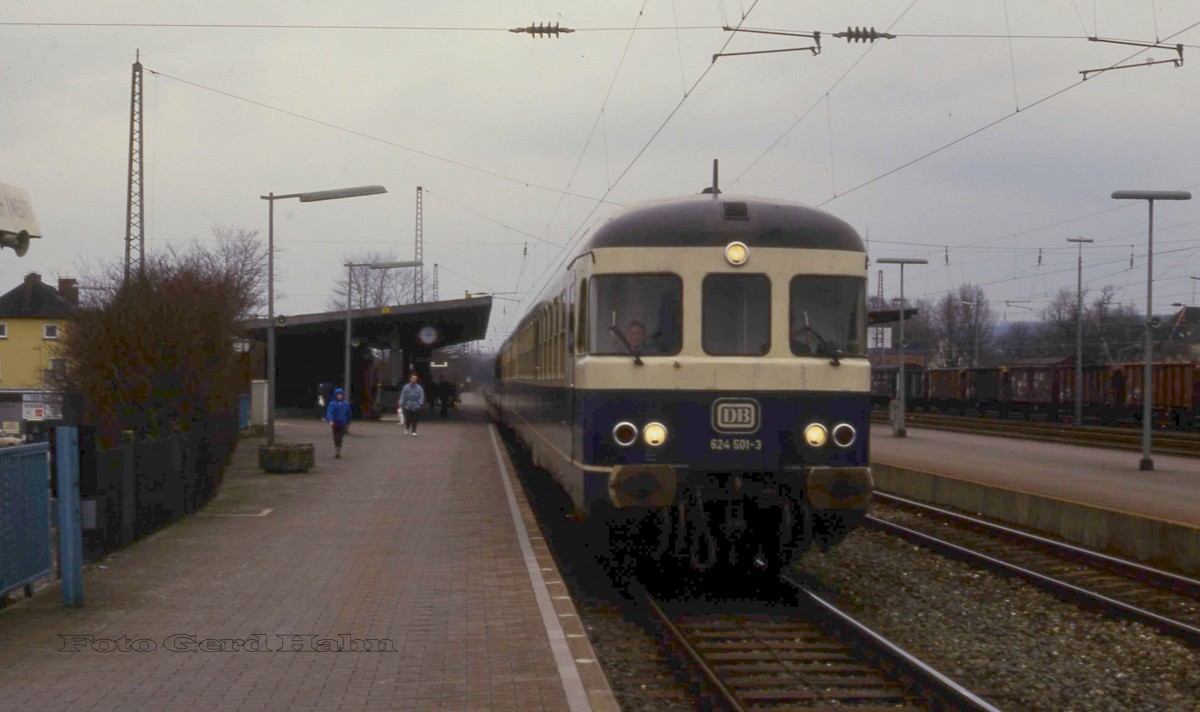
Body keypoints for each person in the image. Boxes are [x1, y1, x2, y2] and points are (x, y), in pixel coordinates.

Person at [324, 387, 352, 459]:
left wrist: (349, 421)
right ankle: (337, 450)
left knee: (340, 437)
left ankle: (338, 450)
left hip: (343, 423)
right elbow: (330, 412)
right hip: (335, 423)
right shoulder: (332, 404)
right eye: (338, 394)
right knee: (336, 437)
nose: (339, 396)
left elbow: (348, 413)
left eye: (341, 394)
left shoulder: (345, 404)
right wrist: (330, 420)